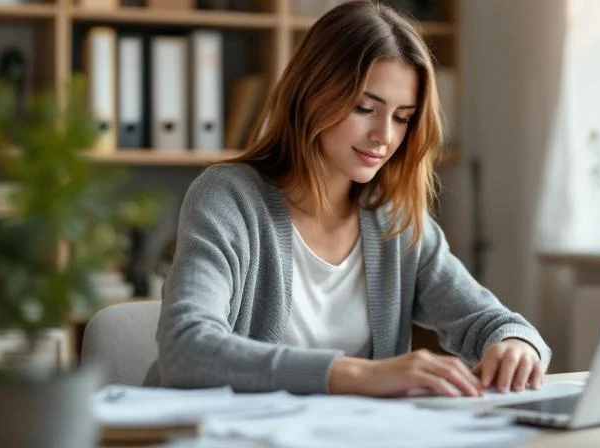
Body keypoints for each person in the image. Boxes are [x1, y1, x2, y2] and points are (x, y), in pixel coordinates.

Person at [145, 0, 551, 398]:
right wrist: (357, 374)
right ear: (312, 94)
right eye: (364, 108)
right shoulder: (228, 198)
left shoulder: (395, 220)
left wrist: (516, 344)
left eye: (402, 117)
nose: (385, 136)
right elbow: (186, 350)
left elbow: (489, 320)